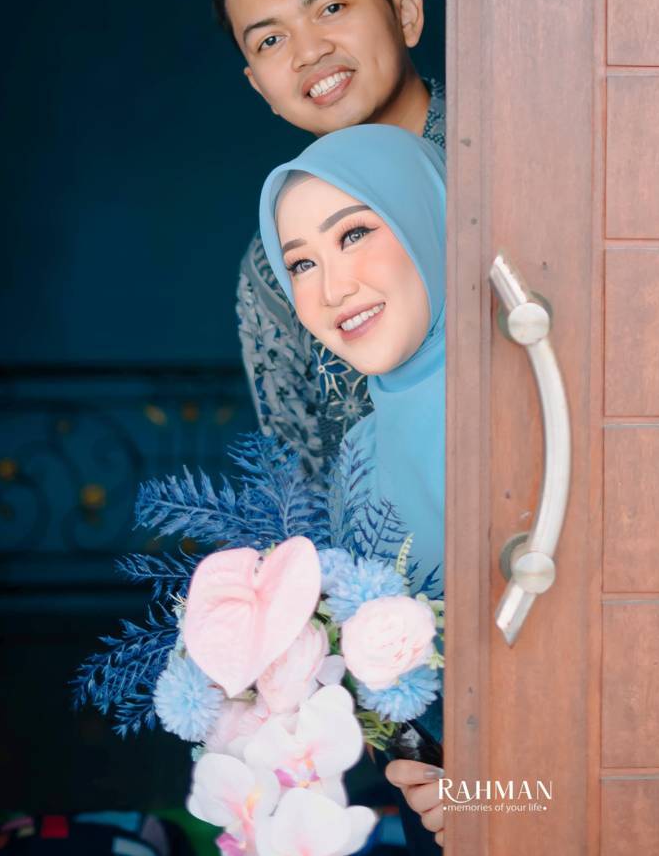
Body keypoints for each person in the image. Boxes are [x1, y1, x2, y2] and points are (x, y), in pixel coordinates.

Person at [259, 123, 447, 850]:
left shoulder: (540, 404)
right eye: (301, 263)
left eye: (355, 233)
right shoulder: (360, 453)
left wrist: (503, 792)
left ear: (434, 219)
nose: (333, 289)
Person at [208, 0, 446, 475]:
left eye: (331, 9)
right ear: (259, 88)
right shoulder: (272, 271)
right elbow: (303, 480)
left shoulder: (520, 167)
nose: (308, 52)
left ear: (405, 14)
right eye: (270, 40)